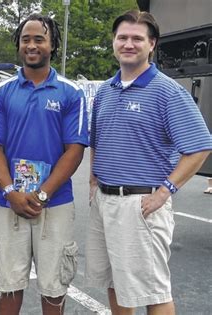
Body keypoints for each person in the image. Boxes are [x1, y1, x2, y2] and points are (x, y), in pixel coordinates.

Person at [86, 10, 212, 315]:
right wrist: (93, 180)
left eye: (137, 38)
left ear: (151, 44)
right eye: (122, 37)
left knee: (154, 291)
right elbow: (97, 140)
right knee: (115, 282)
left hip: (141, 203)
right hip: (105, 200)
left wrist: (165, 191)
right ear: (114, 42)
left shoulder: (168, 92)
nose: (129, 44)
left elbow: (199, 147)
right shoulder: (105, 90)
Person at [0, 13, 88, 314]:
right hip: (10, 202)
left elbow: (75, 150)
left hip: (55, 204)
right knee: (7, 284)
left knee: (54, 288)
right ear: (18, 44)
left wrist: (43, 194)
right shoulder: (2, 92)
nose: (31, 45)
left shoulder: (71, 92)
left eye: (39, 39)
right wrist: (9, 191)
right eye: (25, 39)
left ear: (52, 45)